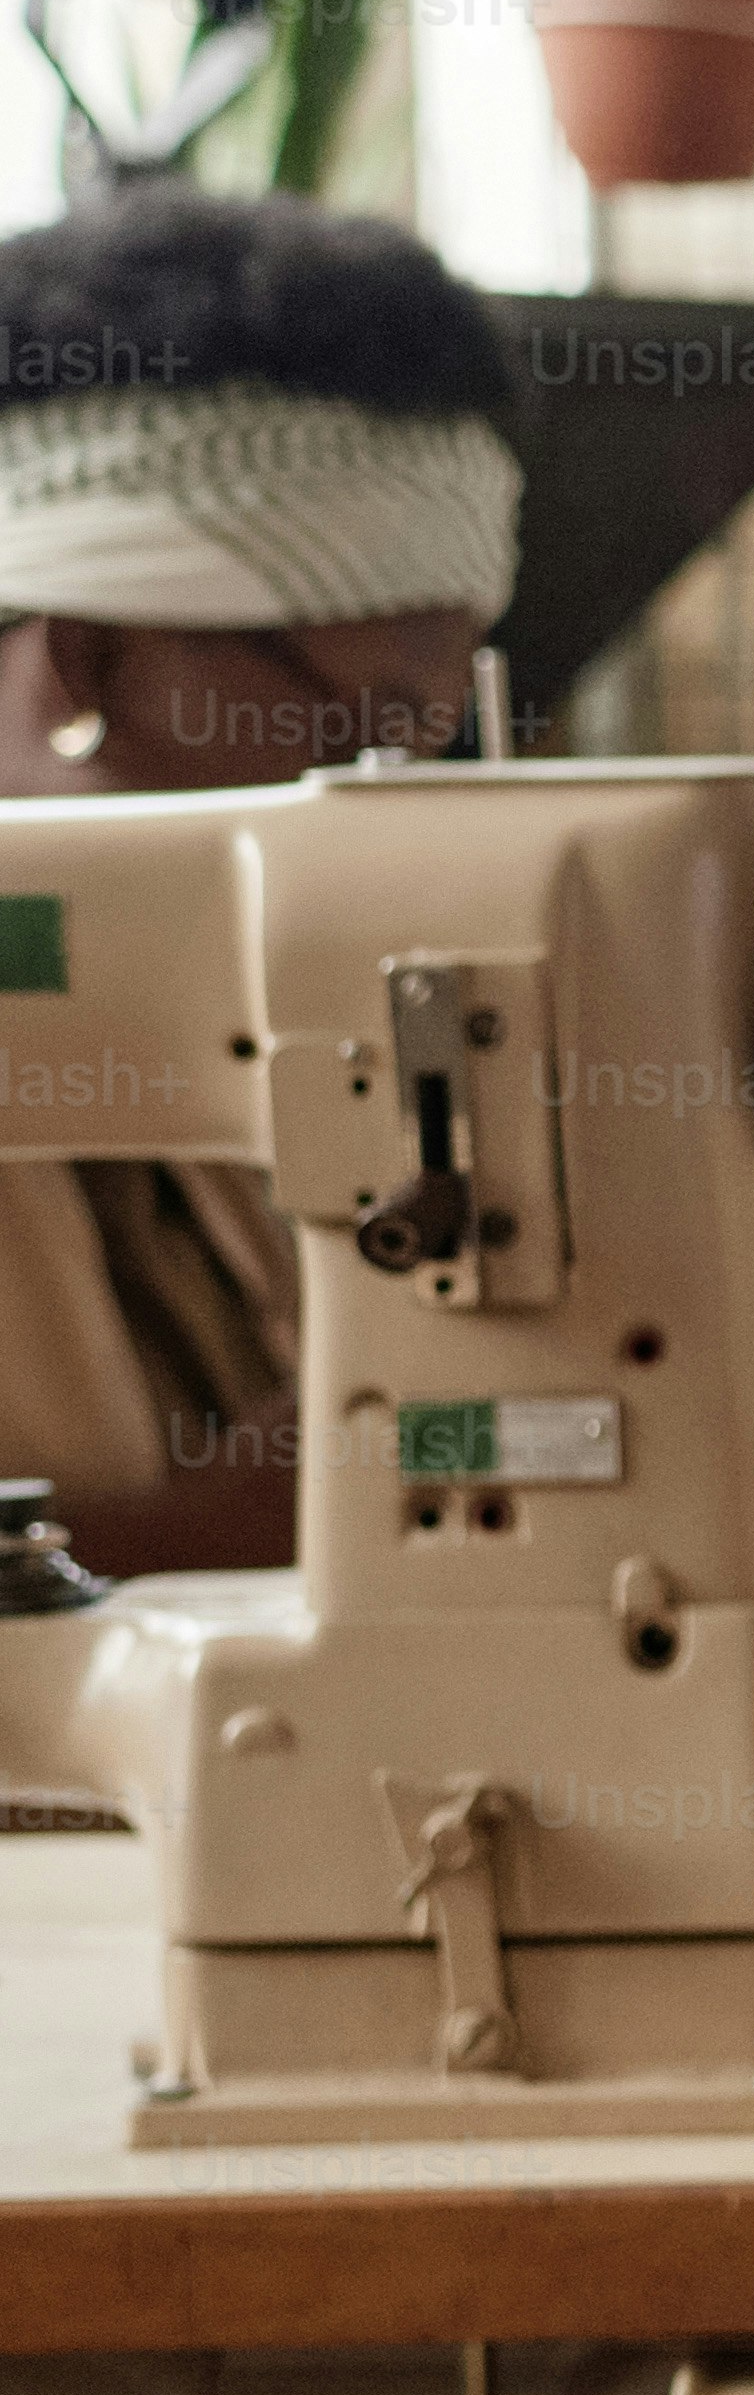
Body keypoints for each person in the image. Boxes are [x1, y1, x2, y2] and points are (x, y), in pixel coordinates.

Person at [0, 193, 526, 1575]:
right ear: (93, 664)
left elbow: (404, 1433)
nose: (388, 799)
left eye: (426, 737)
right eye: (358, 728)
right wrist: (192, 1539)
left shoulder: (202, 1020)